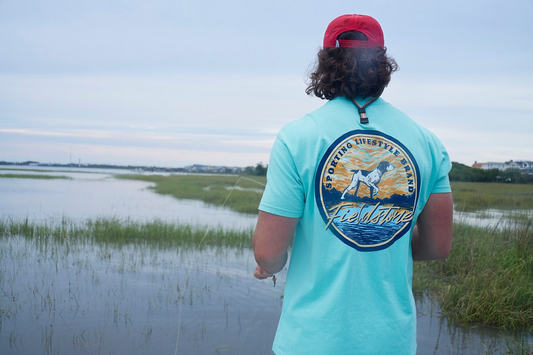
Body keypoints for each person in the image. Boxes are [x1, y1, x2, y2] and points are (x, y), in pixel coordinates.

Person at [253, 14, 453, 355]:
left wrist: (268, 264)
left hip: (310, 342)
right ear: (382, 64)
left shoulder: (297, 137)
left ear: (325, 64)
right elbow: (436, 247)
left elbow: (270, 254)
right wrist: (389, 230)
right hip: (391, 341)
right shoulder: (427, 142)